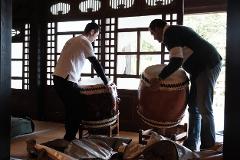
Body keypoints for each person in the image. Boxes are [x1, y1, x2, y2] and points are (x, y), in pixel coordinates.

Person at [148, 19, 222, 151]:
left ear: (158, 29)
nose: (154, 37)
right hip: (198, 69)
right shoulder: (175, 31)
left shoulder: (170, 33)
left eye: (153, 33)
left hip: (207, 65)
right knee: (194, 107)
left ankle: (208, 146)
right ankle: (192, 143)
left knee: (204, 107)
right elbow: (179, 59)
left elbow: (176, 60)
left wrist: (159, 78)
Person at [52, 22, 109, 141]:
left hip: (58, 78)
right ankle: (70, 139)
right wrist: (106, 82)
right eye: (97, 35)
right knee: (77, 110)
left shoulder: (73, 40)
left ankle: (68, 138)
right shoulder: (85, 41)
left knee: (70, 109)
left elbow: (71, 61)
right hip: (66, 80)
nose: (96, 38)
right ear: (92, 32)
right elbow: (95, 63)